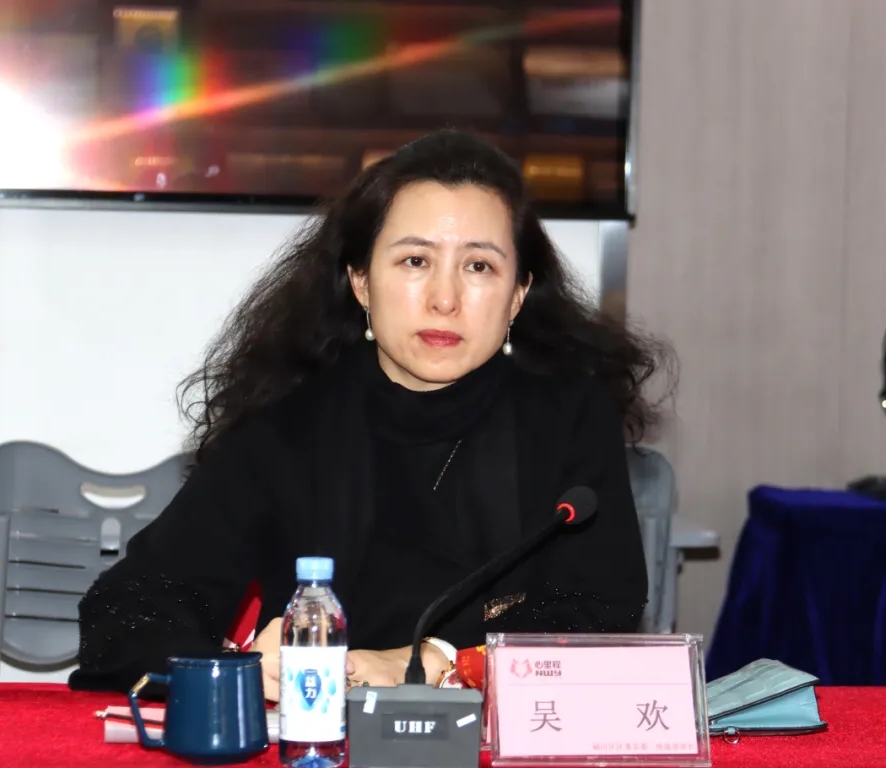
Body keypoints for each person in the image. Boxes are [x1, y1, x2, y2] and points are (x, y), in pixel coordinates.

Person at [68, 129, 672, 700]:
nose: (444, 299)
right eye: (414, 261)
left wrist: (433, 662)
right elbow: (129, 609)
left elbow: (597, 613)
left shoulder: (567, 415)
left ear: (517, 295)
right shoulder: (287, 420)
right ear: (360, 281)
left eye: (479, 266)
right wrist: (235, 673)